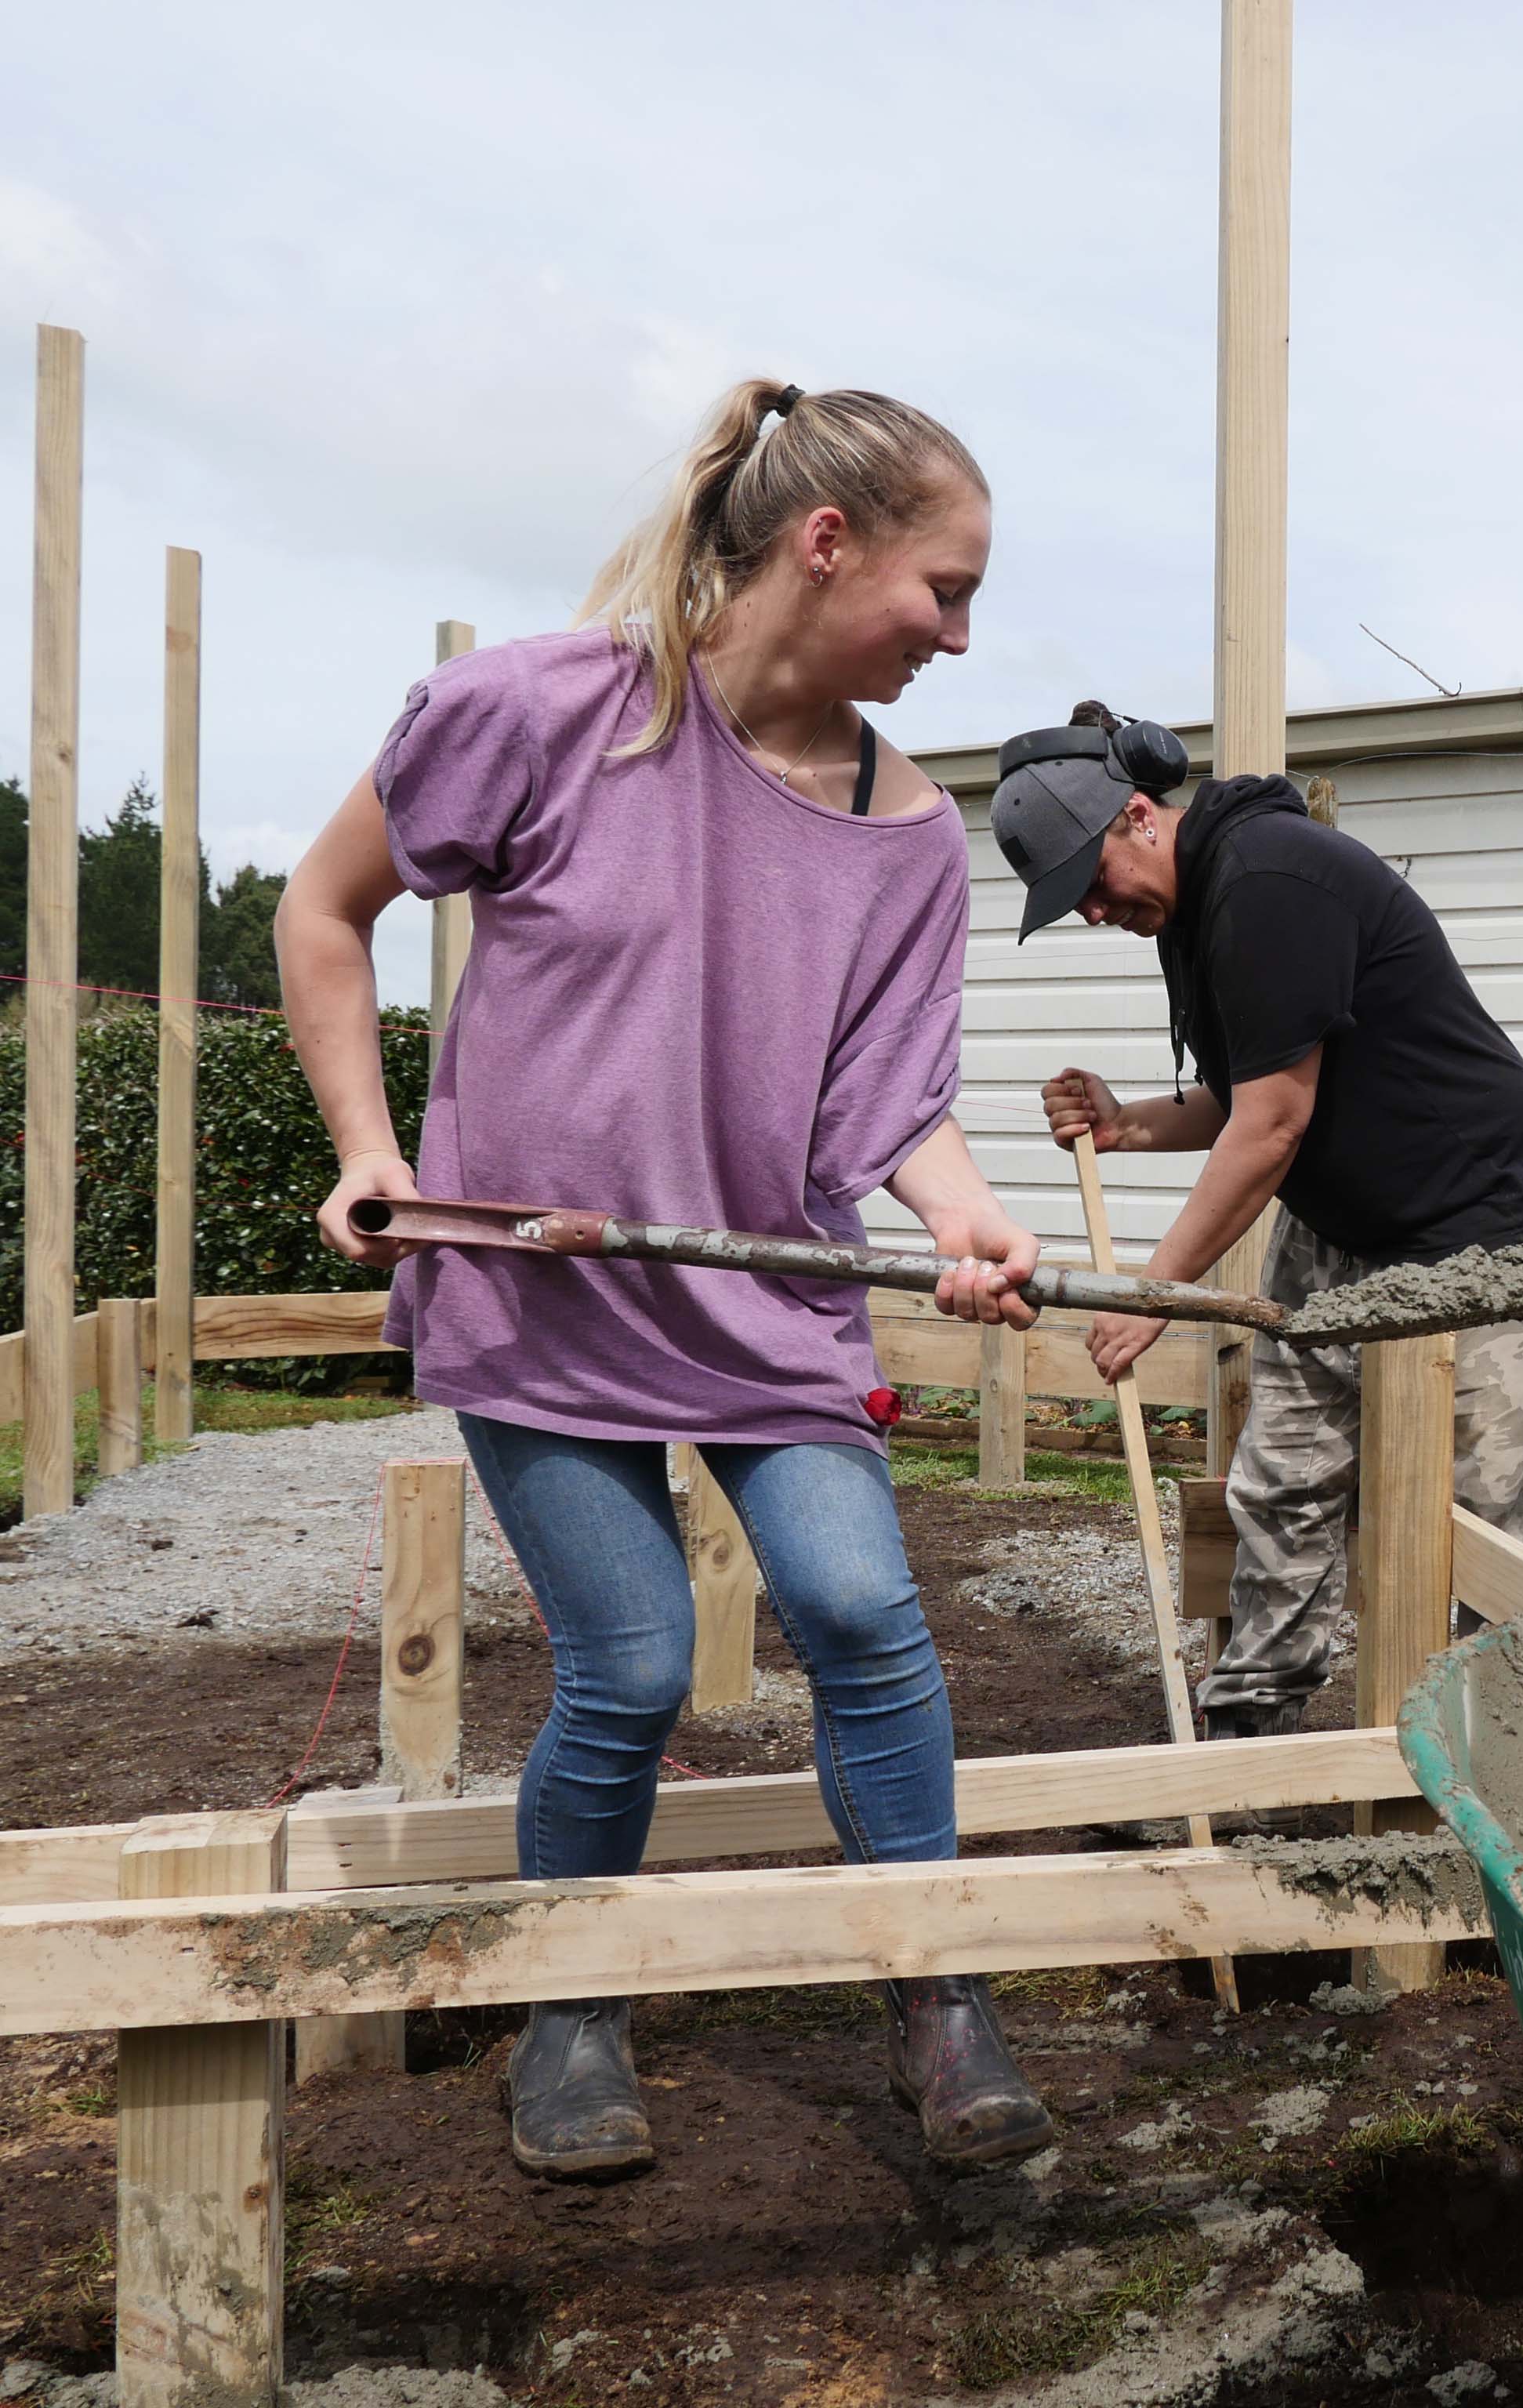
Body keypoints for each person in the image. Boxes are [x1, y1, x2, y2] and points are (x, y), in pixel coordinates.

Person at [277, 380, 1060, 2182]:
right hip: (535, 1299)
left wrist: (965, 1218)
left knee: (862, 1613)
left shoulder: (910, 834)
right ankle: (573, 2006)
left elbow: (891, 1104)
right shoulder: (544, 715)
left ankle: (939, 1996)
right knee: (626, 1671)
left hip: (758, 1302)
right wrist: (371, 1150)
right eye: (945, 589)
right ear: (823, 540)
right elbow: (326, 906)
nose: (960, 634)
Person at [996, 710, 1523, 1738]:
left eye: (1090, 884)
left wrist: (1153, 1296)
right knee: (1283, 1485)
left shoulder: (1270, 881)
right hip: (1342, 1233)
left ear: (1139, 816)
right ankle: (1249, 1740)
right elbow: (1252, 1094)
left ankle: (1507, 1777)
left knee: (1497, 1528)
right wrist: (1125, 1120)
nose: (1092, 912)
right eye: (1070, 905)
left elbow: (1272, 1129)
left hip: (1489, 1236)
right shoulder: (1189, 910)